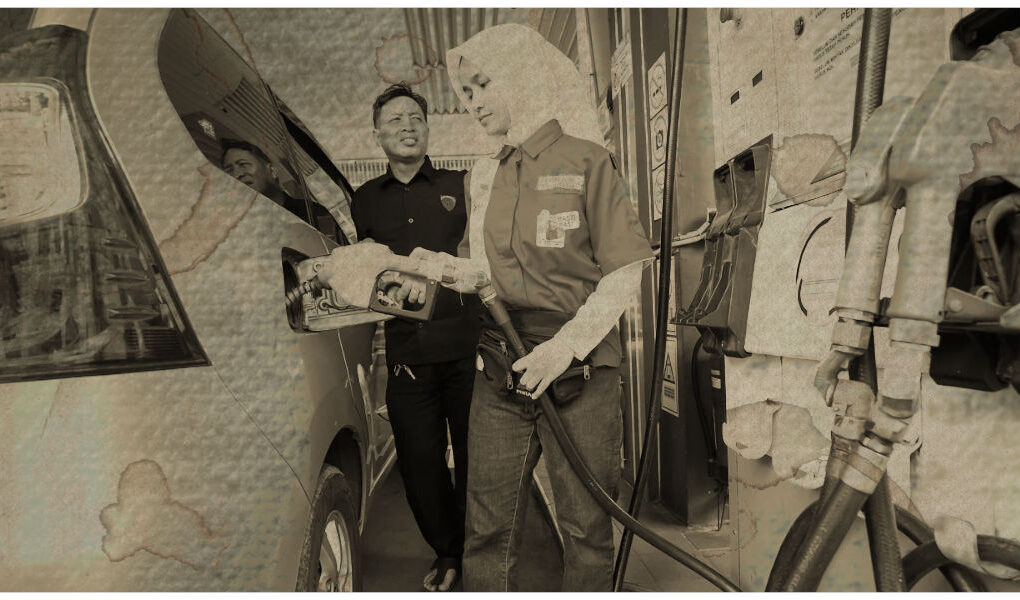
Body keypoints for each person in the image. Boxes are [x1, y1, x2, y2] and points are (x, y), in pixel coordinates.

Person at [409, 24, 654, 592]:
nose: (473, 103)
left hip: (581, 368)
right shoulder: (484, 172)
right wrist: (439, 267)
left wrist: (564, 347)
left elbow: (625, 270)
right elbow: (480, 271)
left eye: (482, 85)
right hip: (500, 364)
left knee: (587, 527)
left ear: (522, 76)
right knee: (487, 525)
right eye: (465, 93)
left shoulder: (590, 161)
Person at [349, 83, 481, 592]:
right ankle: (447, 551)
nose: (407, 125)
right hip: (405, 355)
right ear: (377, 133)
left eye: (415, 117)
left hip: (468, 349)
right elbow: (360, 274)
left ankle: (475, 548)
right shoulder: (364, 201)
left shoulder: (461, 186)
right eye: (395, 119)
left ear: (428, 128)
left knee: (476, 456)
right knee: (420, 462)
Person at [221, 139, 341, 241]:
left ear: (272, 170)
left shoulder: (313, 211)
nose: (237, 175)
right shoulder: (240, 232)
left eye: (243, 164)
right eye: (229, 171)